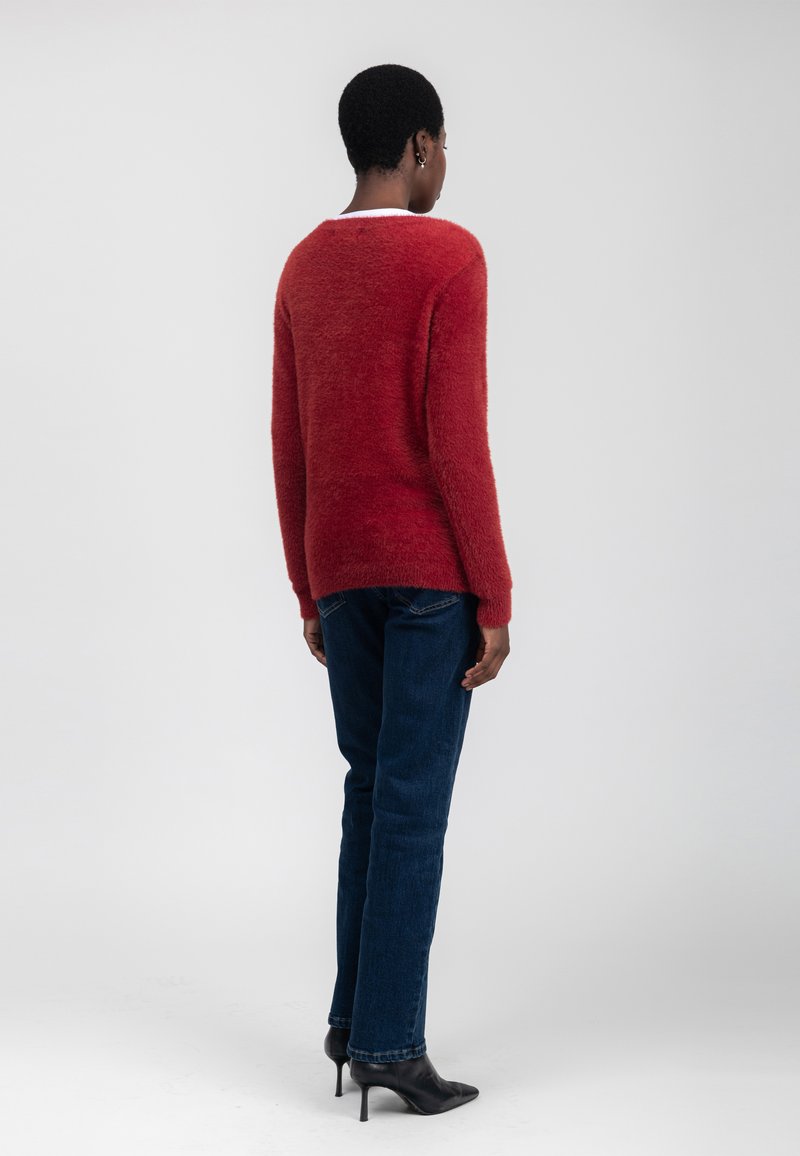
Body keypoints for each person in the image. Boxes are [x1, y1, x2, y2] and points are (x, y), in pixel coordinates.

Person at [271, 63, 513, 1121]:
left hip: (341, 570)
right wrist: (492, 593)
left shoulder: (302, 265)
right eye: (442, 145)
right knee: (410, 805)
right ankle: (389, 1044)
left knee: (369, 791)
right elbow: (456, 441)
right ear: (417, 146)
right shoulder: (449, 257)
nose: (445, 163)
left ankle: (350, 1021)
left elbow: (288, 443)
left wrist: (308, 588)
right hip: (426, 577)